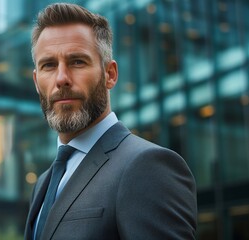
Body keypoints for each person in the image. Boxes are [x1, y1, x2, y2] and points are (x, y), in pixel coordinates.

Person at [24, 3, 197, 240]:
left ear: (110, 74)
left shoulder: (147, 166)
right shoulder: (43, 183)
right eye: (49, 65)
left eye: (77, 62)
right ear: (36, 81)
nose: (62, 78)